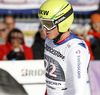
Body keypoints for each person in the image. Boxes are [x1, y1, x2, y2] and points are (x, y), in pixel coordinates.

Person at [38, 0, 90, 95]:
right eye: (43, 23)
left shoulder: (76, 49)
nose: (44, 29)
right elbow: (51, 81)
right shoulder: (49, 40)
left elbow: (80, 91)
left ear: (62, 22)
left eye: (48, 24)